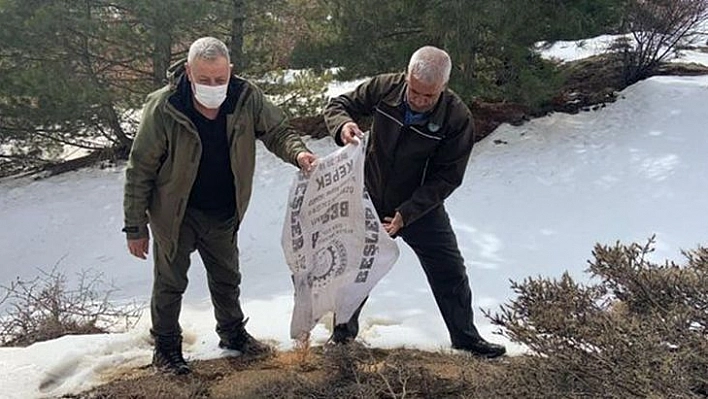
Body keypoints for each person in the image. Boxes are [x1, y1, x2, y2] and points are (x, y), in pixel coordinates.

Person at [123, 37, 316, 375]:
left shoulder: (245, 97)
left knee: (227, 277)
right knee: (170, 283)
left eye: (219, 79)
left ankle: (233, 333)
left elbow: (277, 131)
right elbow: (140, 169)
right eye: (204, 80)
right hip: (175, 213)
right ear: (187, 72)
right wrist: (135, 227)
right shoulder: (165, 106)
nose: (213, 87)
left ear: (230, 72)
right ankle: (166, 348)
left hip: (223, 209)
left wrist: (298, 153)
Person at [323, 45, 506, 358]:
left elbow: (447, 177)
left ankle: (465, 338)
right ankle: (342, 337)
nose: (420, 101)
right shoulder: (385, 88)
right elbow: (337, 104)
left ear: (444, 88)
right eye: (416, 92)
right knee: (358, 268)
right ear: (406, 77)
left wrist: (406, 214)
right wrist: (343, 125)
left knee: (449, 268)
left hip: (420, 207)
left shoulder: (457, 117)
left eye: (429, 96)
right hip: (371, 195)